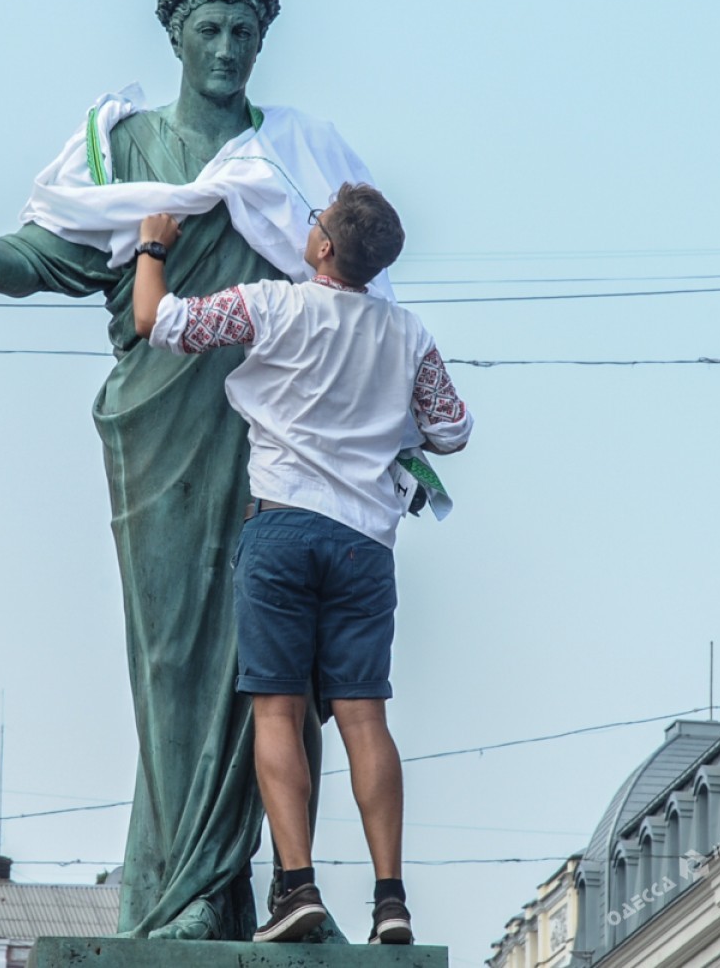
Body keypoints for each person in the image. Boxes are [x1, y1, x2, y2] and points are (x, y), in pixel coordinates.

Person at [0, 0, 385, 941]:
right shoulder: (124, 150)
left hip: (283, 437)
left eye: (244, 35)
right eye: (212, 32)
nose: (228, 50)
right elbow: (43, 258)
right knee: (179, 658)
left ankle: (277, 893)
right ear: (178, 42)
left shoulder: (298, 158)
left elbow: (359, 303)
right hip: (159, 431)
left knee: (282, 669)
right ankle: (186, 896)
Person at [133, 184, 473, 945]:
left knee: (278, 710)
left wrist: (154, 244)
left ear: (323, 247)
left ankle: (297, 888)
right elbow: (451, 431)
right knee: (365, 717)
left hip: (283, 527)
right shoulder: (409, 333)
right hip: (365, 545)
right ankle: (391, 900)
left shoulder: (273, 305)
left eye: (315, 219)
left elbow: (157, 320)